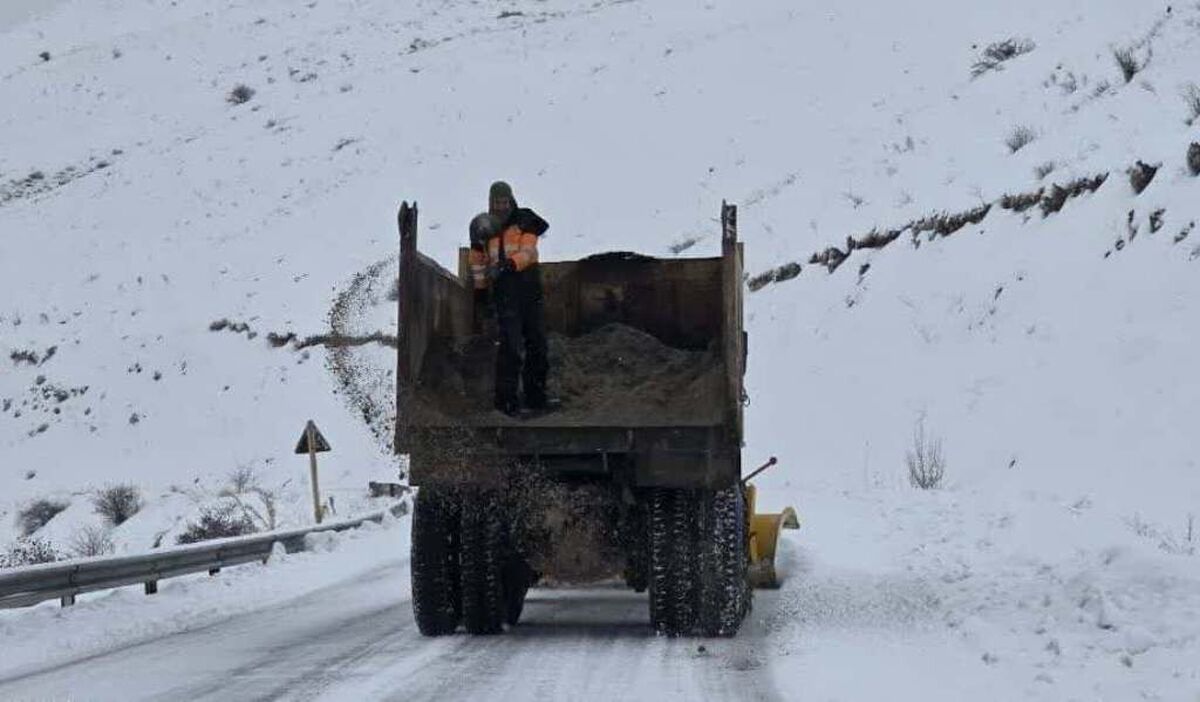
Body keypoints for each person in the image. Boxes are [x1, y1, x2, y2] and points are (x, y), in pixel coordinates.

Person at [467, 181, 552, 415]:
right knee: (511, 348)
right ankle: (506, 403)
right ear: (490, 202)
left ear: (511, 199)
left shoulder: (525, 220)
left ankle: (536, 399)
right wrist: (481, 292)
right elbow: (477, 262)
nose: (501, 206)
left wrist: (508, 265)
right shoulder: (484, 227)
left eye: (504, 201)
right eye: (497, 202)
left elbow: (528, 251)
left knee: (538, 346)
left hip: (529, 290)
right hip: (505, 296)